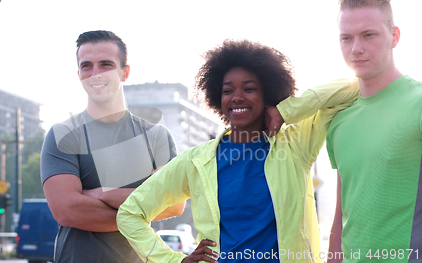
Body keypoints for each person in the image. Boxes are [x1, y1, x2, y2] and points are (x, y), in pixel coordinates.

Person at [117, 39, 360, 263]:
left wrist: (287, 111)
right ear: (217, 97)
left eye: (249, 88)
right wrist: (175, 260)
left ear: (267, 93)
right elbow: (130, 214)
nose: (237, 97)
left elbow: (353, 86)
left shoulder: (295, 145)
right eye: (227, 90)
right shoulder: (197, 161)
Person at [40, 30, 184, 263]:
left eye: (106, 64)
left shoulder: (157, 136)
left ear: (124, 72)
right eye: (86, 66)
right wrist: (141, 207)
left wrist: (101, 193)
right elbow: (68, 210)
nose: (95, 74)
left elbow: (174, 205)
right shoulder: (62, 135)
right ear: (79, 74)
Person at [327, 1, 422, 262]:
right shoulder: (338, 121)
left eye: (368, 35)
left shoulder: (418, 103)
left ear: (394, 37)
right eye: (346, 38)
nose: (356, 49)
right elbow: (341, 216)